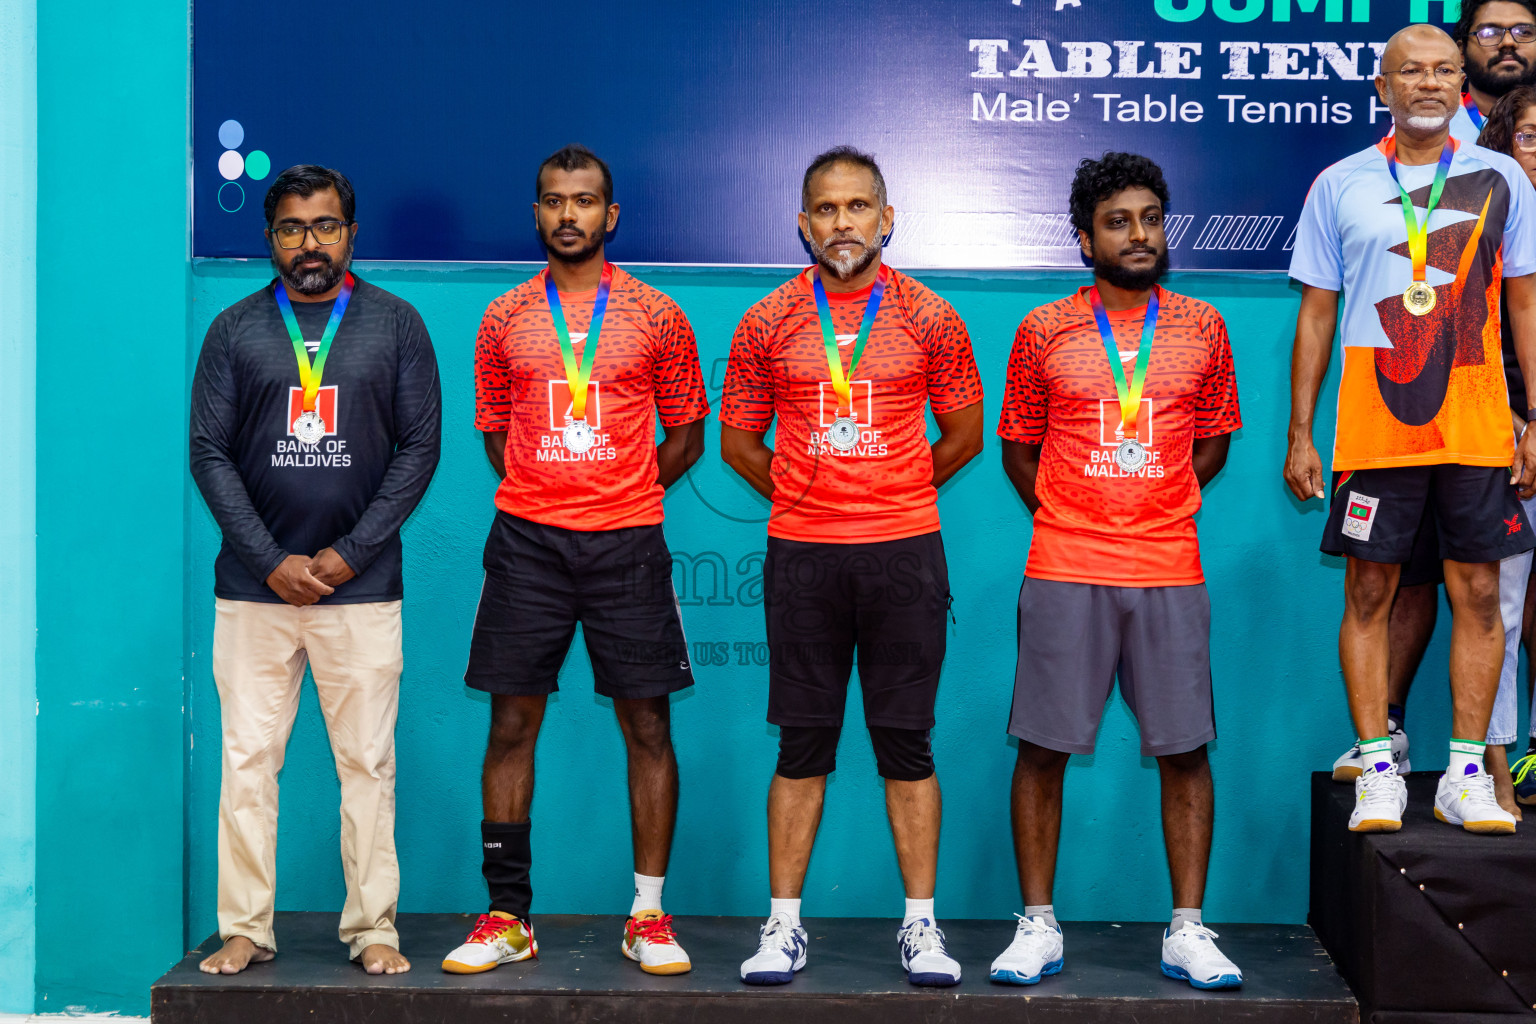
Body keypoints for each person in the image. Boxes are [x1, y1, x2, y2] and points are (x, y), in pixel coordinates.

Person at [719, 146, 984, 988]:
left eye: (859, 207)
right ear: (803, 224)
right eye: (826, 210)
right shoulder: (767, 320)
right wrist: (808, 488)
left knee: (907, 742)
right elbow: (735, 442)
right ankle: (783, 926)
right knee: (803, 744)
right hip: (804, 556)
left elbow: (967, 433)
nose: (843, 223)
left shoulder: (931, 315)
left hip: (904, 552)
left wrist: (894, 486)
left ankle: (921, 928)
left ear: (887, 218)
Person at [442, 144, 708, 977]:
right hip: (528, 543)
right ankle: (507, 915)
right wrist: (550, 490)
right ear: (536, 214)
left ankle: (648, 914)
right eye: (554, 200)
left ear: (610, 215)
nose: (569, 215)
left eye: (584, 201)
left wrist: (617, 487)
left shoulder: (658, 314)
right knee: (511, 724)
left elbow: (687, 433)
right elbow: (494, 432)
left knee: (649, 725)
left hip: (628, 541)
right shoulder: (503, 317)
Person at [992, 153, 1243, 991]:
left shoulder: (1204, 325)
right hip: (1065, 565)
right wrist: (1078, 508)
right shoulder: (1043, 330)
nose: (1138, 235)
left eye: (1150, 218)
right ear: (1085, 236)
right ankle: (1037, 926)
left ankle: (1187, 930)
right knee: (1042, 750)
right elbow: (1018, 448)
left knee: (1185, 751)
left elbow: (1212, 443)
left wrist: (1153, 498)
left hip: (1170, 565)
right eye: (1118, 222)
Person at [189, 165, 443, 975]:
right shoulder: (233, 331)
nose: (310, 243)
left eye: (325, 226)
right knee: (246, 765)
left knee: (368, 765)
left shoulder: (396, 325)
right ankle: (245, 928)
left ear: (351, 233)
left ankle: (374, 929)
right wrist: (273, 562)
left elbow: (419, 450)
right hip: (253, 592)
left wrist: (346, 555)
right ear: (270, 238)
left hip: (360, 591)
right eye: (293, 228)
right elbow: (209, 453)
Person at [1286, 24, 1536, 837]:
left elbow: (1525, 303)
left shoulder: (1501, 178)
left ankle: (1465, 771)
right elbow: (1317, 312)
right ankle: (1378, 766)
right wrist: (1300, 430)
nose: (1429, 84)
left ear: (1462, 86)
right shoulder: (1340, 183)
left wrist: (1535, 418)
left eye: (1444, 72)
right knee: (1368, 592)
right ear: (1381, 86)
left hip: (1476, 425)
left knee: (1476, 594)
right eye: (1412, 72)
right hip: (1375, 428)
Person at [1476, 86, 1536, 813]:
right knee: (1501, 605)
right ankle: (1490, 760)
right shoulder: (1480, 228)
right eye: (1529, 137)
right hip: (1509, 434)